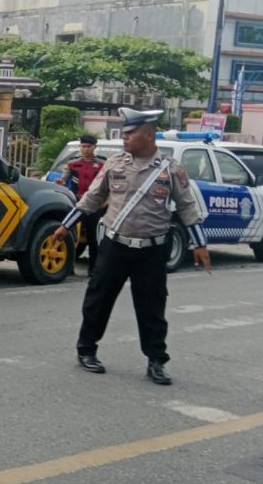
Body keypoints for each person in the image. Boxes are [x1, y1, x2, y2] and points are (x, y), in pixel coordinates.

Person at [50, 108, 211, 385]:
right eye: (123, 134)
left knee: (152, 307)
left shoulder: (171, 169)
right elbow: (90, 199)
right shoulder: (114, 165)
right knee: (98, 299)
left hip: (152, 249)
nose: (124, 139)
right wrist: (65, 225)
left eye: (130, 134)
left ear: (148, 135)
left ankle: (156, 361)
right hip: (115, 245)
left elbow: (187, 207)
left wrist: (199, 244)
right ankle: (86, 350)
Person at [58, 134, 106, 274]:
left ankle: (93, 270)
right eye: (83, 146)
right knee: (71, 236)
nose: (85, 149)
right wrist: (61, 182)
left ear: (94, 147)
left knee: (93, 239)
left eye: (88, 147)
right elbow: (64, 179)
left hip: (95, 206)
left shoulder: (103, 163)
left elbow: (109, 184)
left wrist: (106, 201)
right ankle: (68, 268)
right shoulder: (72, 163)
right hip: (77, 205)